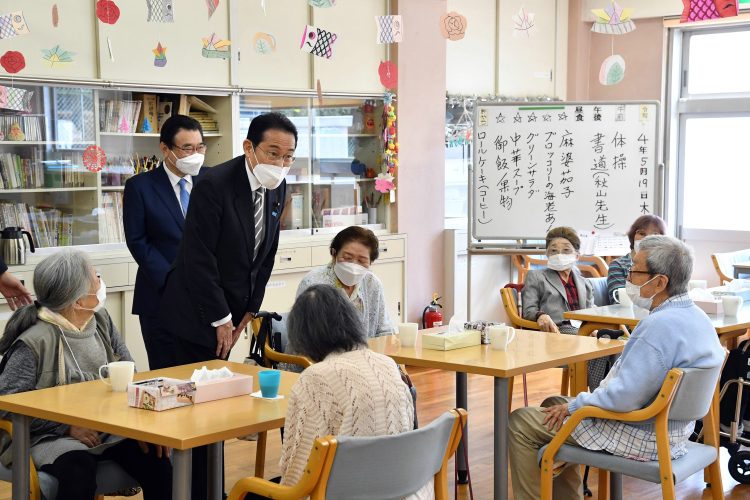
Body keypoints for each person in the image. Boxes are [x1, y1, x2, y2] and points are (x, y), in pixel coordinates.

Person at [508, 235, 725, 500]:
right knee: (553, 403)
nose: (629, 277)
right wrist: (572, 404)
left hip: (641, 434)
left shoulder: (657, 327)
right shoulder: (698, 317)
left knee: (520, 421)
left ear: (659, 282)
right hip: (674, 432)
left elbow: (623, 397)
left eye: (635, 270)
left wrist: (575, 405)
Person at [159, 112, 295, 499]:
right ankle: (190, 491)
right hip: (190, 310)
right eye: (273, 153)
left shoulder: (277, 187)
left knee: (214, 409)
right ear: (248, 147)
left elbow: (266, 253)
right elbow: (199, 258)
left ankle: (209, 491)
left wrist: (250, 310)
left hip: (233, 311)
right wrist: (220, 318)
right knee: (191, 414)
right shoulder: (215, 184)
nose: (280, 164)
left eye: (288, 157)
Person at [0, 250, 171, 500]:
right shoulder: (34, 342)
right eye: (96, 278)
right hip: (45, 436)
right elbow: (7, 407)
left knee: (157, 459)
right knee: (77, 472)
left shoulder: (100, 319)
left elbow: (129, 372)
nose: (101, 283)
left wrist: (142, 428)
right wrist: (65, 428)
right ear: (78, 301)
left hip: (106, 426)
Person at [279, 284, 426, 497]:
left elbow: (296, 476)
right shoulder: (388, 364)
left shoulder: (315, 378)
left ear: (304, 334)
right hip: (406, 490)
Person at [123, 114, 208, 369]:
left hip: (206, 301)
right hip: (160, 298)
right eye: (187, 148)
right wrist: (173, 281)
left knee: (206, 376)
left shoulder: (211, 181)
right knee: (168, 377)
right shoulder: (140, 186)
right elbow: (138, 242)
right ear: (165, 149)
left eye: (199, 147)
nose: (195, 154)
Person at [296, 226, 392, 338]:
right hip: (320, 353)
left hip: (364, 353)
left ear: (371, 262)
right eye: (347, 258)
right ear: (334, 254)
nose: (354, 265)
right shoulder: (313, 283)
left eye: (362, 261)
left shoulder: (372, 283)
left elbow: (385, 331)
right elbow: (303, 337)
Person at [522, 226, 594, 334]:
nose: (559, 255)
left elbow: (591, 313)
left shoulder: (585, 283)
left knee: (616, 340)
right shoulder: (536, 276)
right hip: (557, 330)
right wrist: (541, 316)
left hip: (584, 330)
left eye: (566, 250)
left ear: (577, 256)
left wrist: (594, 330)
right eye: (554, 251)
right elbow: (529, 311)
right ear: (547, 254)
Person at [606, 214, 666, 304]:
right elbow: (619, 302)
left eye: (654, 235)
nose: (647, 239)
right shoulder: (618, 265)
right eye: (642, 233)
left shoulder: (666, 266)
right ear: (632, 236)